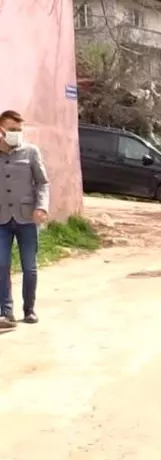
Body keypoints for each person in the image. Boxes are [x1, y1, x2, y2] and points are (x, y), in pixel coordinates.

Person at [0, 110, 49, 327]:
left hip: (27, 218)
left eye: (19, 130)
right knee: (1, 265)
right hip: (1, 218)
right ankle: (6, 312)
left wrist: (41, 206)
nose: (16, 134)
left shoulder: (31, 152)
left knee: (29, 267)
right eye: (11, 130)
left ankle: (29, 309)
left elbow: (42, 182)